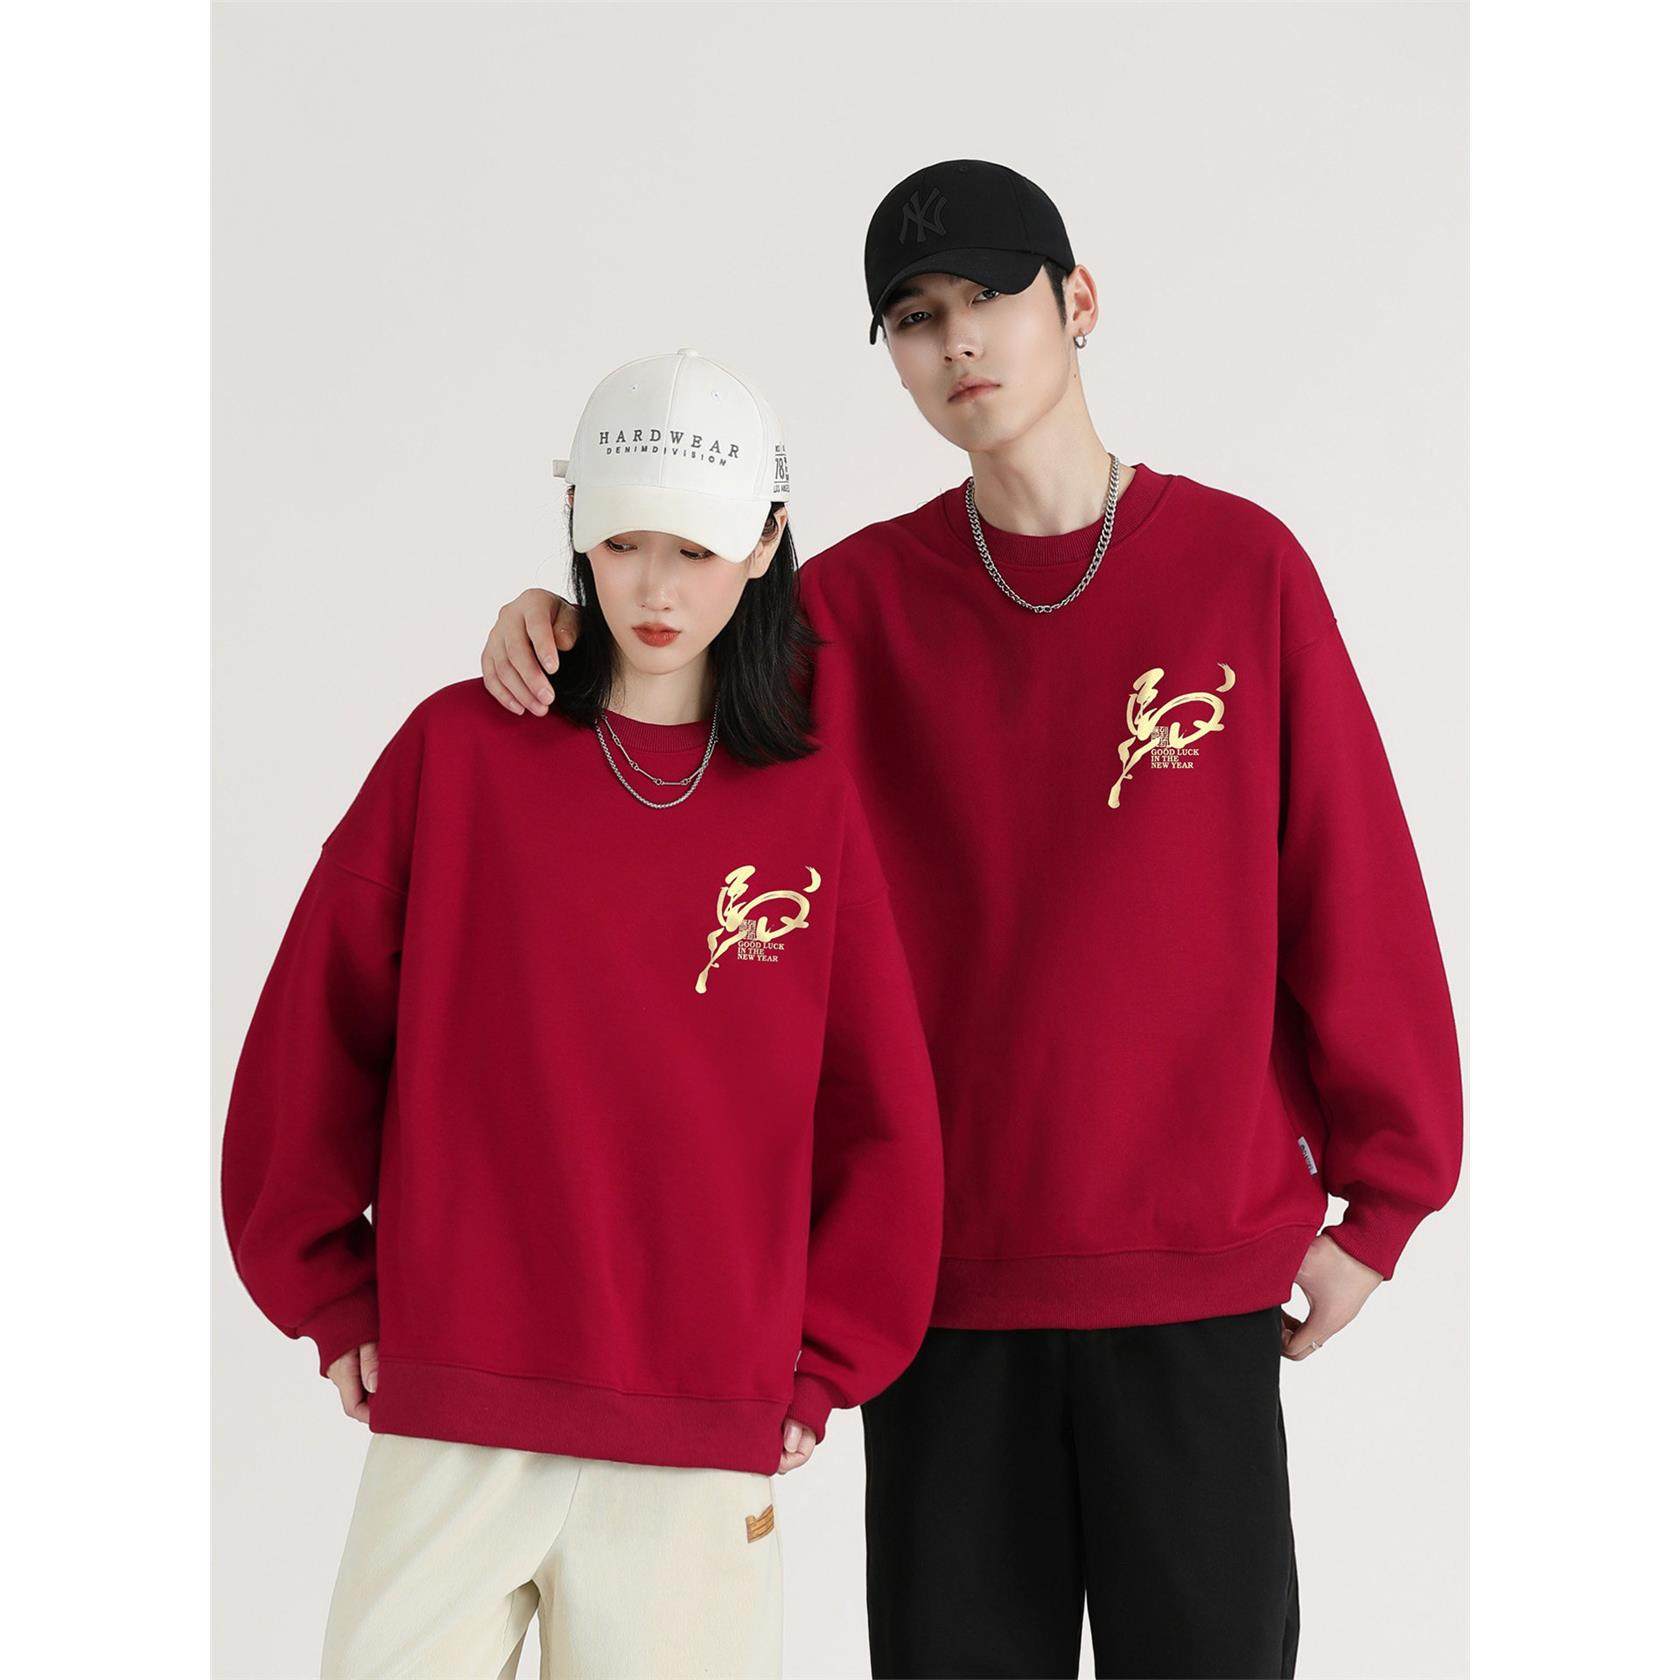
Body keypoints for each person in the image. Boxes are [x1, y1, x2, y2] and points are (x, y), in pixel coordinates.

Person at [481, 163, 1464, 1680]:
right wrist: (549, 624)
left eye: (992, 297)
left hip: (1192, 1275)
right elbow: (659, 711)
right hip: (942, 1297)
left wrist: (1384, 1205)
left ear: (1078, 302)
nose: (958, 342)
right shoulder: (848, 609)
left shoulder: (1241, 570)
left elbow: (1353, 882)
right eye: (915, 317)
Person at [221, 348, 944, 1679]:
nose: (656, 588)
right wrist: (331, 1292)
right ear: (574, 529)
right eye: (622, 543)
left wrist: (821, 1362)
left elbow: (879, 1109)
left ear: (766, 543)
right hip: (456, 1409)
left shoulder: (809, 804)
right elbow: (315, 1036)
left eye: (695, 550)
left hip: (696, 1434)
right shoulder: (457, 752)